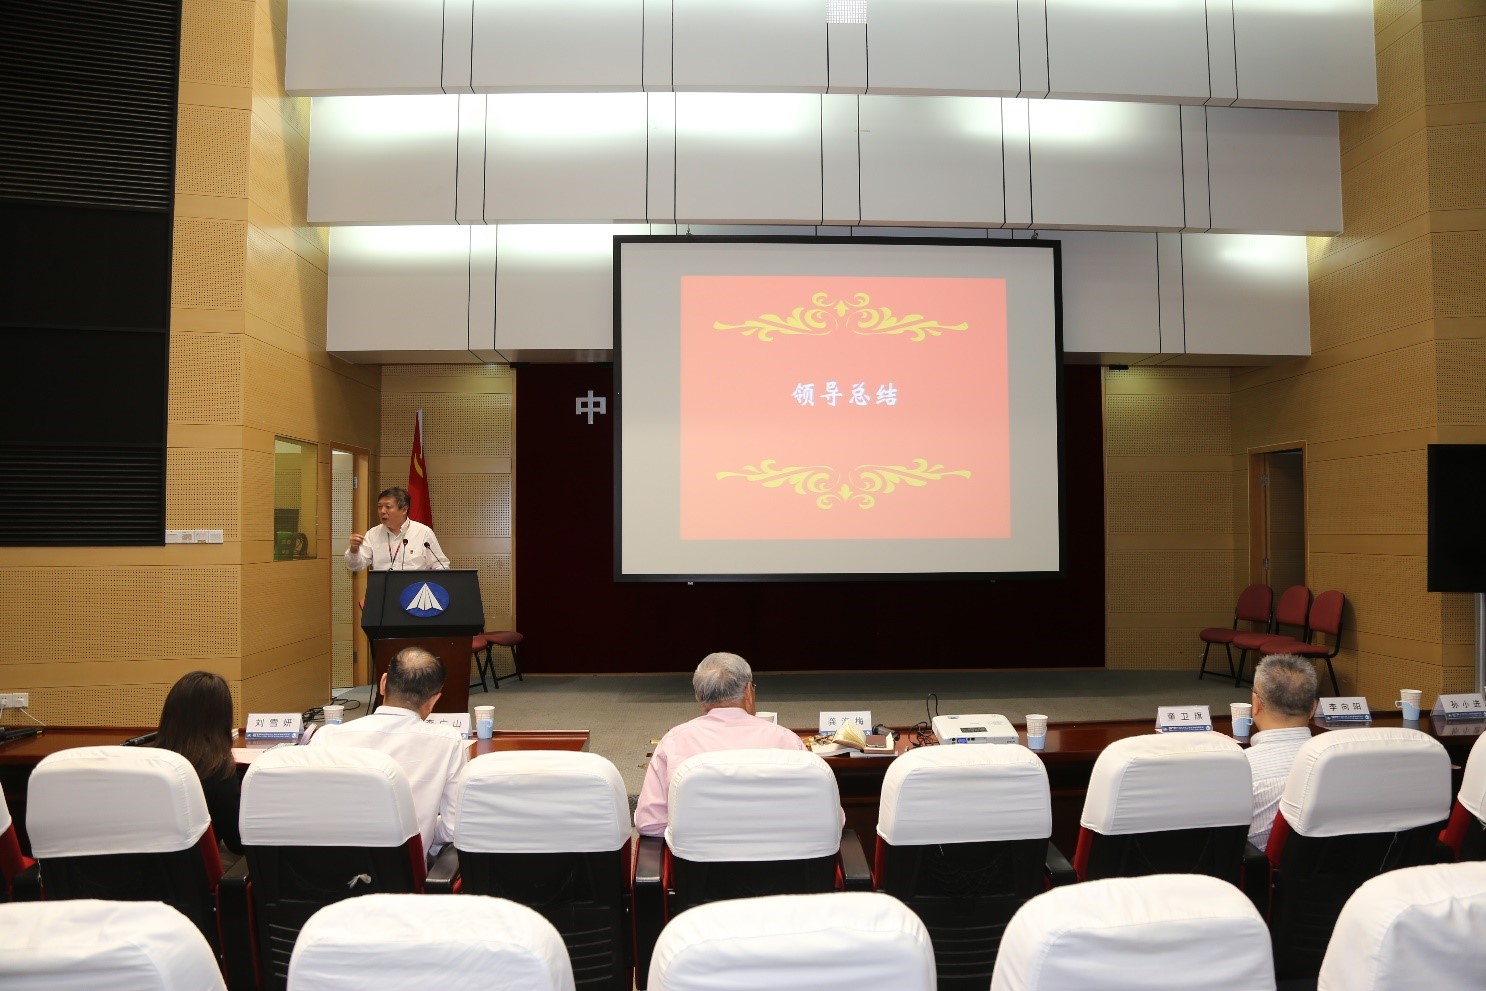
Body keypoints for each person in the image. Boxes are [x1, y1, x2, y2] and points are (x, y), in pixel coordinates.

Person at [312, 647, 466, 858]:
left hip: (326, 868)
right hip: (401, 872)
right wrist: (427, 828)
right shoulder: (448, 742)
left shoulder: (327, 737)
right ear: (433, 701)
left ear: (383, 683)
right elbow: (452, 829)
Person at [634, 652, 806, 837]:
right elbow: (821, 813)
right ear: (748, 691)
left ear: (699, 697)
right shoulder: (787, 740)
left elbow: (649, 824)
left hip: (698, 854)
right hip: (779, 852)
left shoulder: (674, 742)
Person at [154, 670, 242, 856]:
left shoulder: (147, 762)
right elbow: (237, 843)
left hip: (145, 868)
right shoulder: (218, 770)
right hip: (194, 870)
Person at [1245, 652, 1318, 851]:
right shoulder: (1340, 766)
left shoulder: (1240, 768)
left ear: (1256, 704)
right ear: (1313, 708)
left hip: (1255, 867)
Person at [344, 486, 450, 572]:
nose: (382, 511)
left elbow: (441, 565)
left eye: (388, 507)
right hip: (384, 590)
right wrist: (354, 550)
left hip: (415, 590)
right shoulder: (373, 534)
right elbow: (354, 567)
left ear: (404, 510)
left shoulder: (423, 532)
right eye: (380, 507)